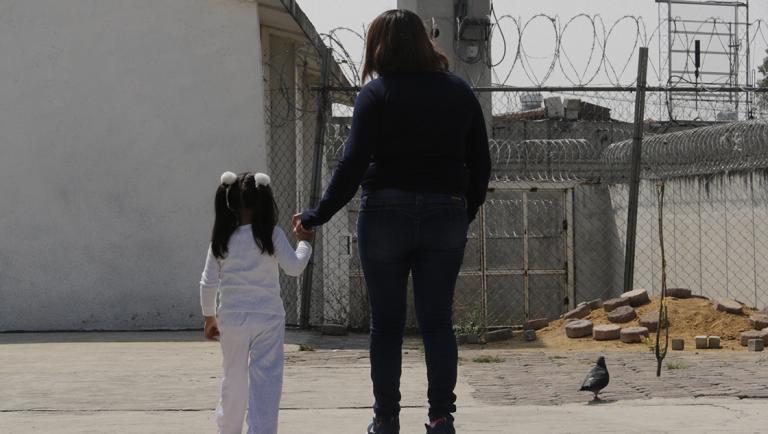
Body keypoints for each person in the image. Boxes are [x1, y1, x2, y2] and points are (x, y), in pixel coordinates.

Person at [293, 9, 491, 434]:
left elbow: (352, 164)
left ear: (378, 46)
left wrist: (317, 214)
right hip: (445, 212)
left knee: (386, 324)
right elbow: (480, 161)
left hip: (384, 212)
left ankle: (385, 419)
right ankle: (440, 418)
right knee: (438, 321)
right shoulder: (459, 92)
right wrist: (463, 210)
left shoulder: (376, 94)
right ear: (425, 42)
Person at [200, 171, 313, 434]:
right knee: (266, 382)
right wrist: (305, 243)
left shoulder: (221, 239)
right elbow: (294, 268)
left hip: (232, 318)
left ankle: (228, 428)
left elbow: (208, 282)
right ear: (264, 201)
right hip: (268, 319)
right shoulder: (271, 235)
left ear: (228, 203)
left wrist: (209, 318)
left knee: (234, 379)